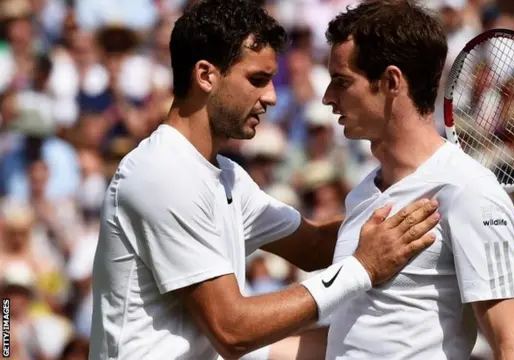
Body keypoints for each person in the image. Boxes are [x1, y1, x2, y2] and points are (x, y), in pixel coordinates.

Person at [87, 1, 441, 360]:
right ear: (206, 75)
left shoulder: (227, 177)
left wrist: (427, 204)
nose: (271, 96)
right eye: (257, 80)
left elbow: (316, 245)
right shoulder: (161, 174)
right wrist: (361, 268)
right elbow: (232, 330)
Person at [273, 1, 514, 359]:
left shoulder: (469, 190)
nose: (327, 97)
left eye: (342, 81)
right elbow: (351, 341)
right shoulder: (364, 193)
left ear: (391, 82)